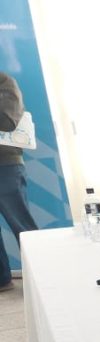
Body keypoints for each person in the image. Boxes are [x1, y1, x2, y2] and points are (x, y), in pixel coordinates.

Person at [0, 72, 38, 292]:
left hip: (5, 165)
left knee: (22, 225)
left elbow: (7, 121)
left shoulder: (4, 82)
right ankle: (2, 280)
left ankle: (43, 274)